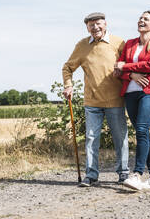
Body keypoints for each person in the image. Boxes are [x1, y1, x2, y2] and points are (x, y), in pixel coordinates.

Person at [62, 12, 130, 187]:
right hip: (92, 101)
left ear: (105, 24)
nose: (95, 27)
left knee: (120, 137)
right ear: (87, 27)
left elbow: (129, 64)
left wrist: (123, 69)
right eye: (91, 25)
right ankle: (91, 175)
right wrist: (68, 85)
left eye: (98, 24)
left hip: (115, 100)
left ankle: (123, 173)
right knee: (91, 138)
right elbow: (68, 67)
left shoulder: (119, 43)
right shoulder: (82, 45)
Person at [114, 10, 150, 190]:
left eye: (146, 19)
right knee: (142, 132)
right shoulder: (129, 44)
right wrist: (133, 75)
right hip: (131, 92)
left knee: (142, 129)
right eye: (140, 18)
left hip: (149, 91)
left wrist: (127, 67)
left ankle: (137, 174)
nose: (141, 21)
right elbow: (117, 70)